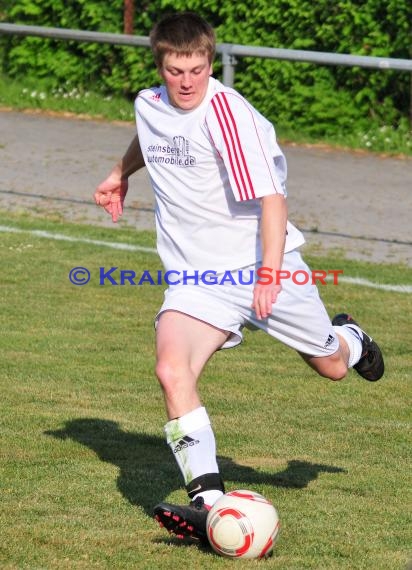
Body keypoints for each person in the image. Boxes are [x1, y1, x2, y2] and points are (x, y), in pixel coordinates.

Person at [94, 11, 384, 543]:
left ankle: (351, 336)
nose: (186, 83)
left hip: (263, 268)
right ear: (160, 64)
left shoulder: (227, 115)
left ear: (210, 62)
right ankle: (207, 503)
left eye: (198, 70)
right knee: (170, 368)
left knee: (332, 367)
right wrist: (119, 174)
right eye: (176, 71)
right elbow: (151, 137)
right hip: (196, 279)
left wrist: (271, 273)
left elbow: (272, 196)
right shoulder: (150, 103)